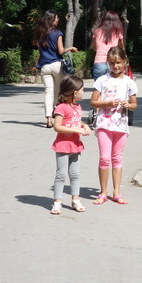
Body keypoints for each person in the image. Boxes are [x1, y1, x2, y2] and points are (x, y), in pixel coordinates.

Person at [90, 47, 138, 205]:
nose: (115, 66)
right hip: (104, 123)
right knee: (104, 158)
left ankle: (116, 192)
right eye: (111, 63)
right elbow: (93, 102)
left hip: (121, 125)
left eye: (118, 62)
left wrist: (127, 105)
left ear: (124, 61)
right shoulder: (102, 80)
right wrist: (107, 103)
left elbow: (134, 104)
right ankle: (103, 192)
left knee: (117, 158)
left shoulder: (129, 82)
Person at [50, 75, 92, 215]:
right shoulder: (62, 107)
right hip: (63, 145)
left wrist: (84, 125)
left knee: (75, 174)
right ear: (75, 92)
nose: (83, 92)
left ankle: (75, 199)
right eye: (82, 89)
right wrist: (76, 129)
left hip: (75, 144)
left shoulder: (77, 107)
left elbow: (74, 122)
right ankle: (57, 202)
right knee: (61, 175)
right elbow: (57, 126)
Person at [34, 11, 78, 128]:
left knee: (48, 92)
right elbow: (60, 51)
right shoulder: (58, 33)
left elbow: (40, 51)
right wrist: (70, 49)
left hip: (44, 66)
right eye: (56, 19)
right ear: (51, 20)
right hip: (56, 65)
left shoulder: (40, 34)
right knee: (58, 91)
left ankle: (48, 119)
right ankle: (56, 113)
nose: (57, 21)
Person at [91, 12, 125, 79]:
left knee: (99, 87)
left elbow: (94, 47)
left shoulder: (97, 31)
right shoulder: (118, 32)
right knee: (113, 87)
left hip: (99, 62)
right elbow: (122, 48)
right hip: (113, 63)